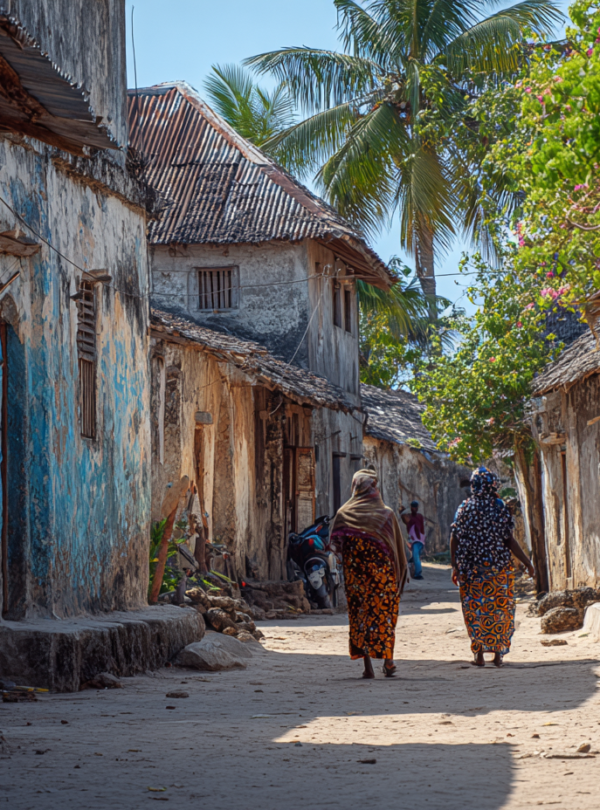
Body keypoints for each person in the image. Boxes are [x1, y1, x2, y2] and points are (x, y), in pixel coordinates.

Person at [450, 467, 535, 668]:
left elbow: (454, 537)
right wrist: (527, 562)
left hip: (471, 570)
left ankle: (478, 654)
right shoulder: (499, 506)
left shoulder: (464, 507)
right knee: (499, 609)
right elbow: (509, 540)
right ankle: (497, 655)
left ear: (474, 485)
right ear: (492, 484)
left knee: (475, 609)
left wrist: (455, 566)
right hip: (498, 570)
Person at [330, 469, 408, 679]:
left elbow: (336, 544)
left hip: (356, 579)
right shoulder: (386, 514)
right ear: (373, 488)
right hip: (383, 578)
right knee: (384, 616)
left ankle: (368, 667)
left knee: (361, 616)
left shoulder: (344, 514)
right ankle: (388, 660)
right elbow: (395, 548)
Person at [401, 501, 426, 580]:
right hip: (414, 540)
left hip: (418, 539)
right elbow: (405, 519)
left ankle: (417, 573)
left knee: (416, 556)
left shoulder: (418, 517)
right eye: (413, 507)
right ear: (411, 508)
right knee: (416, 556)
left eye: (416, 507)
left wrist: (403, 513)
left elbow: (408, 520)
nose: (414, 508)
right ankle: (415, 571)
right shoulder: (411, 517)